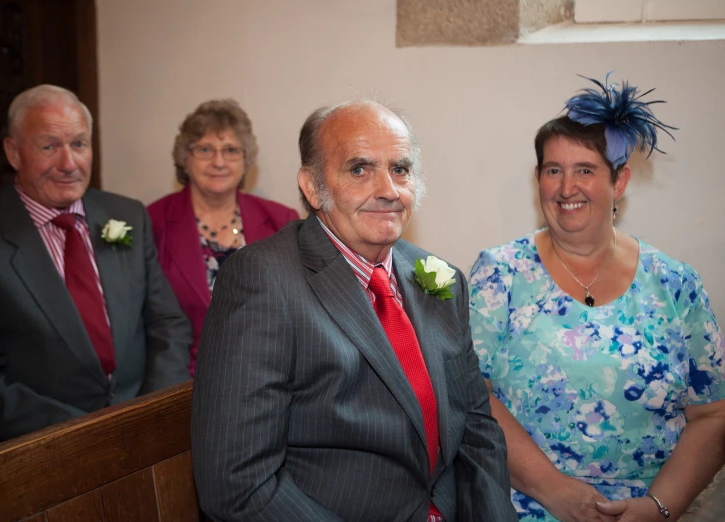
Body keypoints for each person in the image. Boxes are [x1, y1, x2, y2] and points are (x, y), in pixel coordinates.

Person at [192, 100, 516, 522]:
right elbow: (236, 484)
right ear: (311, 186)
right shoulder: (263, 281)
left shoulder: (439, 280)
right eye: (359, 169)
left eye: (400, 169)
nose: (388, 189)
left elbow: (477, 430)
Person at [468, 74, 725, 521]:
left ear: (619, 181)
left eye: (585, 170)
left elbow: (713, 414)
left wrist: (658, 508)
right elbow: (471, 396)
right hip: (523, 506)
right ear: (539, 179)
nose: (567, 189)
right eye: (554, 171)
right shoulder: (501, 274)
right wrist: (555, 492)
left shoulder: (675, 283)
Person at [0, 84, 192, 450]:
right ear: (13, 152)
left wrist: (150, 411)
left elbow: (167, 322)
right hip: (40, 451)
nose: (68, 163)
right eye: (49, 146)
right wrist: (87, 434)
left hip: (143, 435)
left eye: (79, 144)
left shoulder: (126, 216)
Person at [148, 99, 299, 376]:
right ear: (185, 157)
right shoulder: (153, 222)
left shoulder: (283, 221)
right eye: (205, 149)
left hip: (270, 374)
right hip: (183, 381)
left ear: (245, 160)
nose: (218, 162)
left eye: (230, 150)